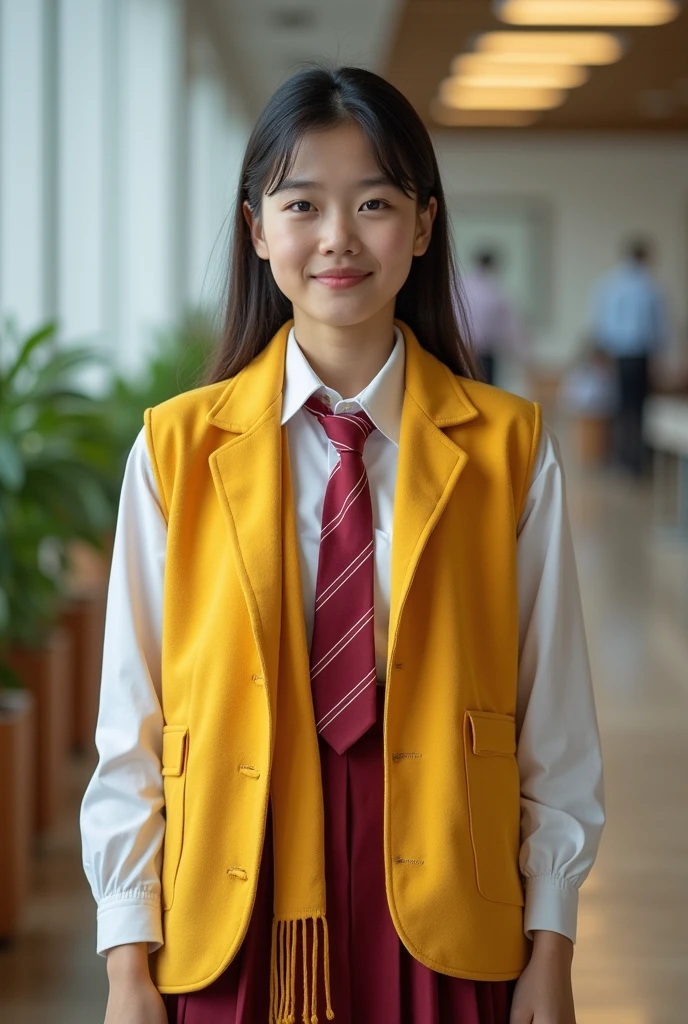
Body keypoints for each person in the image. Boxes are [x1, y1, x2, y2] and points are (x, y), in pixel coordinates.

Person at [80, 65, 605, 1024]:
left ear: (424, 225)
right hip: (233, 907)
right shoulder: (175, 449)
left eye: (373, 202)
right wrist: (125, 963)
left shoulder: (508, 449)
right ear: (256, 230)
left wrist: (553, 943)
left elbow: (554, 719)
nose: (337, 239)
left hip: (450, 898)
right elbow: (133, 724)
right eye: (301, 204)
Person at [590, 238, 668, 475]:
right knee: (640, 407)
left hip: (617, 354)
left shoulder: (610, 283)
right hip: (640, 355)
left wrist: (602, 354)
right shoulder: (651, 286)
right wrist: (660, 358)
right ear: (644, 256)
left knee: (620, 405)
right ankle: (638, 461)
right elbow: (659, 327)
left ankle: (621, 457)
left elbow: (601, 321)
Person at [460, 250, 524, 386]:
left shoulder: (462, 285)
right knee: (486, 390)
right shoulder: (496, 291)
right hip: (478, 351)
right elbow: (509, 326)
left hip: (467, 349)